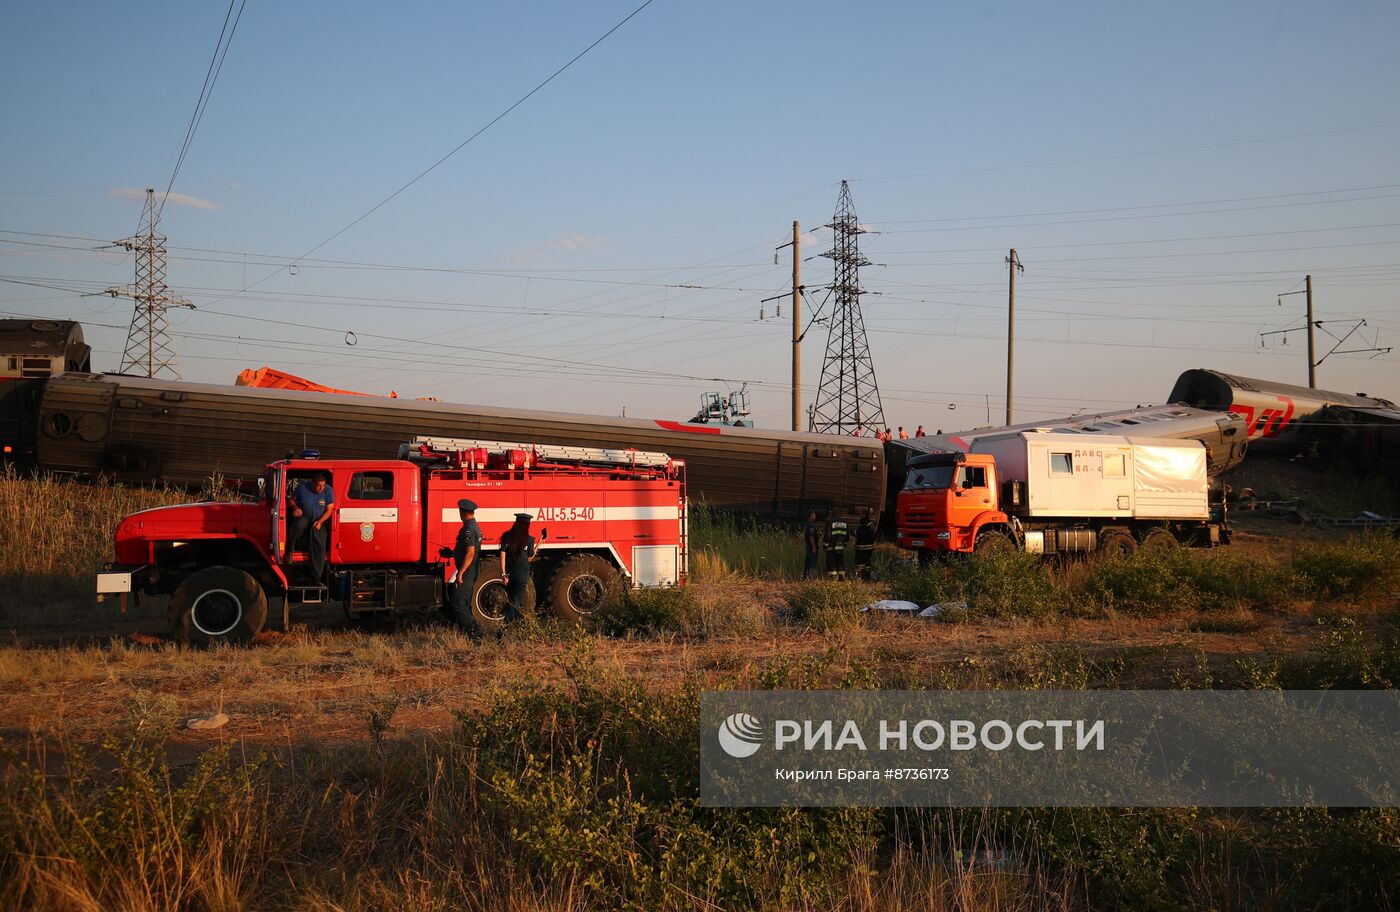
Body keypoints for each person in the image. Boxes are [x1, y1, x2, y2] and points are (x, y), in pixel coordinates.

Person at [289, 472, 334, 581]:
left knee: (319, 540)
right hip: (305, 516)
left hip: (320, 520)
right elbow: (291, 500)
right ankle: (289, 551)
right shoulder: (302, 487)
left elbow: (329, 510)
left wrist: (320, 522)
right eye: (318, 485)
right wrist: (295, 508)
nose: (321, 488)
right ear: (312, 483)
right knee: (298, 526)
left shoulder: (328, 490)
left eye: (323, 485)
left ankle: (316, 576)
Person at [449, 499, 483, 636]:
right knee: (465, 603)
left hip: (468, 570)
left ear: (462, 512)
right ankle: (471, 634)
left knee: (458, 604)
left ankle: (476, 632)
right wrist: (452, 553)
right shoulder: (474, 526)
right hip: (471, 569)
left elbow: (470, 554)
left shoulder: (468, 529)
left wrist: (460, 573)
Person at [499, 513, 537, 624]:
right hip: (522, 575)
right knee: (515, 602)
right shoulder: (529, 539)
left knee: (515, 600)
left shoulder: (506, 536)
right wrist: (539, 544)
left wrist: (503, 574)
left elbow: (502, 555)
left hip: (510, 573)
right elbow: (530, 556)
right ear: (527, 526)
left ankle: (520, 626)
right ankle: (502, 630)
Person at [824, 512, 850, 580]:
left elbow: (827, 535)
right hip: (841, 548)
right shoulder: (845, 522)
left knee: (831, 563)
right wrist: (845, 544)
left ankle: (833, 579)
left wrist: (825, 546)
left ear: (830, 515)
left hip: (831, 548)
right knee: (841, 563)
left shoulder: (830, 522)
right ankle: (841, 578)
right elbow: (847, 536)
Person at [853, 508, 876, 581]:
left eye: (861, 514)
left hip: (861, 546)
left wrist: (855, 533)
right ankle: (867, 576)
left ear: (864, 514)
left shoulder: (865, 524)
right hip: (868, 547)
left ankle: (860, 576)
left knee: (860, 562)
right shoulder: (869, 523)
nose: (860, 515)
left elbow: (860, 534)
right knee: (867, 562)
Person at [802, 510, 821, 578]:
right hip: (811, 547)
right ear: (810, 516)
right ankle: (811, 576)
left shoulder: (808, 525)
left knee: (808, 561)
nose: (815, 517)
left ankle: (805, 576)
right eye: (814, 515)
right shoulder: (810, 526)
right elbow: (811, 537)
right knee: (812, 561)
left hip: (809, 547)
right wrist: (814, 547)